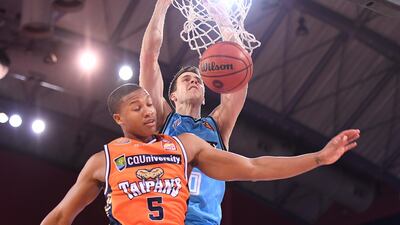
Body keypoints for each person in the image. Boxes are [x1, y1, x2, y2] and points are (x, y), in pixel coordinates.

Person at [41, 84, 360, 225]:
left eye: (149, 104)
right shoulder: (103, 161)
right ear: (119, 119)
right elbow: (59, 216)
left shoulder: (185, 146)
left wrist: (318, 158)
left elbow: (252, 167)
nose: (149, 111)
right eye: (137, 108)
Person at [139, 1, 250, 224]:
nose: (194, 81)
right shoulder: (162, 118)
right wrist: (161, 7)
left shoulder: (218, 124)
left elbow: (240, 70)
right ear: (173, 96)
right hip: (164, 219)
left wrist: (222, 20)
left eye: (198, 80)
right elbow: (148, 58)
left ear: (205, 95)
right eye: (186, 80)